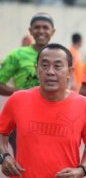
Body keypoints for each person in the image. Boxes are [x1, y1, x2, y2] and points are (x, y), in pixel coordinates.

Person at [0, 43, 86, 178]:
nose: (50, 72)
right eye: (44, 65)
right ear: (36, 69)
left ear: (70, 71)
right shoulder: (17, 100)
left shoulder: (84, 106)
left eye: (57, 66)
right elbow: (1, 133)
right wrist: (3, 157)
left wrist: (81, 170)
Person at [0, 12, 56, 156]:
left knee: (50, 156)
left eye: (45, 27)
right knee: (25, 158)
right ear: (30, 31)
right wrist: (22, 93)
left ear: (53, 31)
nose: (41, 31)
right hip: (21, 116)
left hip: (53, 116)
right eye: (37, 27)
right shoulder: (17, 55)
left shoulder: (59, 55)